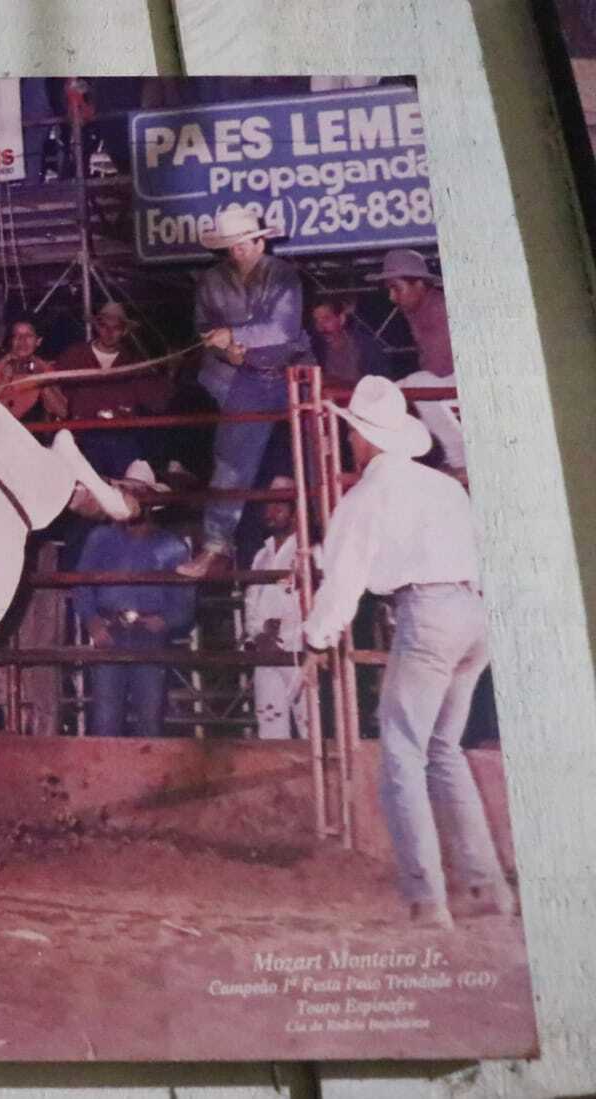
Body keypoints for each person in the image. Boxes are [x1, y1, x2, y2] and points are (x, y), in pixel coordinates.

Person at [300, 376, 513, 928]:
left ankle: (427, 896)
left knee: (402, 754)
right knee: (444, 750)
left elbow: (343, 583)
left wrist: (315, 639)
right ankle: (488, 887)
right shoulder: (444, 488)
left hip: (429, 615)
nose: (351, 442)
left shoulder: (366, 497)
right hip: (475, 613)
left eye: (352, 434)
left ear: (364, 439)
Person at [177, 206, 313, 579]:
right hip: (248, 377)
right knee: (230, 462)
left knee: (318, 452)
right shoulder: (210, 281)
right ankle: (216, 547)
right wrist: (228, 351)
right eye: (231, 246)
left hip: (294, 372)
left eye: (244, 244)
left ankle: (329, 539)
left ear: (261, 239)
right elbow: (204, 327)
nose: (238, 252)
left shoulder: (285, 275)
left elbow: (284, 328)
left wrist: (235, 337)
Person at [72, 461, 196, 737]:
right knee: (105, 719)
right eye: (127, 492)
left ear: (152, 501)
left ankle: (147, 777)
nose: (133, 500)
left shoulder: (172, 547)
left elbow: (185, 601)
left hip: (148, 635)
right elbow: (81, 584)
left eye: (139, 493)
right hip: (109, 630)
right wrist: (92, 622)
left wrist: (165, 621)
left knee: (150, 719)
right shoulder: (100, 538)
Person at [369, 249, 466, 472]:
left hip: (468, 382)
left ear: (419, 284)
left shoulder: (440, 308)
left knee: (413, 385)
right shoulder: (420, 308)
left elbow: (439, 369)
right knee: (407, 388)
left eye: (396, 288)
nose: (391, 297)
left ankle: (459, 459)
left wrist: (400, 390)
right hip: (455, 383)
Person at [44, 301, 165, 477]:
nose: (109, 332)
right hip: (82, 437)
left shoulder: (133, 362)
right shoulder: (75, 355)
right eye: (104, 326)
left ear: (124, 331)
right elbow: (51, 389)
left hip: (122, 439)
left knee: (127, 486)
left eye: (116, 328)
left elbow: (157, 402)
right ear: (96, 327)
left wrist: (167, 370)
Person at [244, 476, 307, 740]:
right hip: (266, 654)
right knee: (269, 726)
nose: (270, 513)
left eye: (278, 507)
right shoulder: (262, 555)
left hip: (298, 652)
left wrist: (281, 633)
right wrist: (258, 634)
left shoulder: (308, 552)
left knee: (310, 726)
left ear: (295, 513)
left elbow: (311, 602)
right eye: (267, 506)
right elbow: (250, 602)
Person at [0, 314, 53, 421]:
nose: (22, 340)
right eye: (16, 335)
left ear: (38, 341)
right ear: (10, 340)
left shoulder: (44, 368)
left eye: (28, 336)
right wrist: (4, 382)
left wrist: (43, 383)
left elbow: (63, 412)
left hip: (32, 432)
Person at [308, 294, 390, 388]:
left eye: (326, 319)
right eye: (316, 321)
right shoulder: (314, 349)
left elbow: (382, 385)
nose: (320, 327)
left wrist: (336, 382)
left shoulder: (366, 347)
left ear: (341, 319)